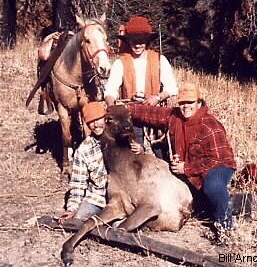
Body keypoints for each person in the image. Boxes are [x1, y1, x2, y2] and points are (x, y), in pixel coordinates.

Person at [128, 83, 236, 235]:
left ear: (199, 103)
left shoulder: (210, 125)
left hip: (218, 166)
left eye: (190, 102)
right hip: (189, 167)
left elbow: (216, 159)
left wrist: (186, 168)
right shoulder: (175, 117)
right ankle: (233, 203)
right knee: (195, 203)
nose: (186, 106)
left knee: (212, 187)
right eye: (182, 102)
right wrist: (125, 110)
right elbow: (151, 113)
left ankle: (226, 228)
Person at [104, 15, 178, 158]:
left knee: (161, 153)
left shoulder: (159, 59)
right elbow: (111, 89)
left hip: (155, 111)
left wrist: (157, 97)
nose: (137, 45)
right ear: (128, 41)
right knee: (134, 152)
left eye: (141, 41)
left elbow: (172, 87)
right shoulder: (120, 63)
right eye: (134, 41)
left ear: (147, 41)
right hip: (132, 113)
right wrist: (112, 105)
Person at [59, 102, 108, 224]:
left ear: (105, 118)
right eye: (91, 121)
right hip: (97, 199)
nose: (96, 125)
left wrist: (140, 150)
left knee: (121, 226)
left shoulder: (120, 139)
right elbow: (78, 183)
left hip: (120, 198)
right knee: (77, 220)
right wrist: (72, 209)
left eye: (98, 119)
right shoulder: (83, 150)